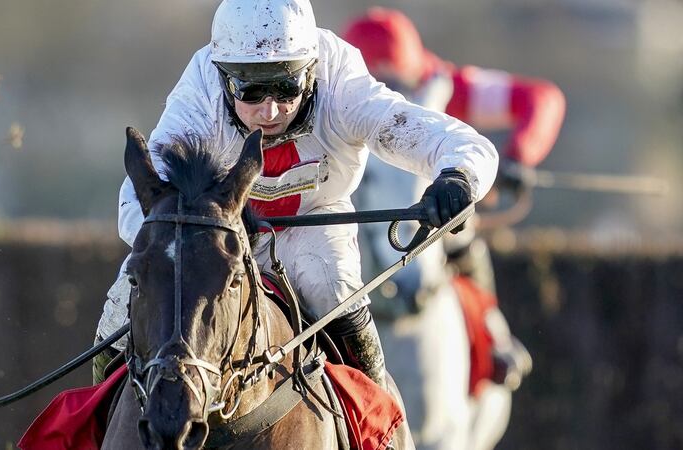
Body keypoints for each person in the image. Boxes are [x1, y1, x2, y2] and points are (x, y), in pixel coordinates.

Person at [93, 1, 499, 416]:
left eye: (287, 87)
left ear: (311, 70)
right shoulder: (200, 95)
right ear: (223, 77)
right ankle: (97, 425)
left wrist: (458, 176)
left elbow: (457, 142)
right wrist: (204, 234)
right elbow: (134, 201)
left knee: (331, 287)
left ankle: (382, 426)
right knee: (118, 314)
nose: (270, 111)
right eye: (250, 91)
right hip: (215, 233)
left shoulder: (343, 85)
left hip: (315, 223)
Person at [343, 7, 565, 450]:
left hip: (435, 213)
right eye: (380, 84)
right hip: (352, 222)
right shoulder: (325, 99)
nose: (392, 97)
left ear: (416, 74)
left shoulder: (445, 86)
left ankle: (491, 339)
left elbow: (542, 99)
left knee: (462, 240)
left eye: (399, 83)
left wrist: (518, 156)